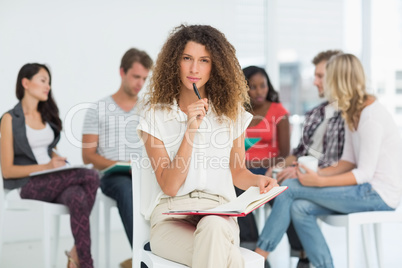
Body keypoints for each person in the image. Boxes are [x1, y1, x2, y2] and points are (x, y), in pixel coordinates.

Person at [136, 24, 278, 268]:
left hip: (219, 216)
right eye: (187, 58)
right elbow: (170, 186)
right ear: (174, 62)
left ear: (216, 67)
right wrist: (190, 128)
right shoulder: (154, 116)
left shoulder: (231, 114)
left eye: (204, 60)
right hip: (171, 220)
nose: (194, 69)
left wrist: (258, 181)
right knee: (228, 258)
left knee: (212, 227)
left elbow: (238, 172)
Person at [255, 53, 402, 268]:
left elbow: (365, 174)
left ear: (339, 82)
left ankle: (258, 258)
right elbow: (347, 161)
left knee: (288, 188)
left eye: (326, 79)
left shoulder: (371, 116)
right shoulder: (353, 112)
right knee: (300, 208)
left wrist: (319, 181)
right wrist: (316, 175)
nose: (320, 84)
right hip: (364, 188)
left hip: (378, 193)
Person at [0, 63, 99, 268]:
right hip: (24, 185)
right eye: (43, 80)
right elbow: (7, 170)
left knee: (77, 196)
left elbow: (47, 151)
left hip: (50, 181)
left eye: (49, 82)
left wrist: (58, 162)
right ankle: (87, 263)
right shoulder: (10, 119)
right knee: (90, 176)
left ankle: (75, 255)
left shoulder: (46, 118)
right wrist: (46, 166)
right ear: (26, 83)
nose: (48, 86)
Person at [267, 49, 344, 268]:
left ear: (337, 75)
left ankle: (266, 254)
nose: (315, 81)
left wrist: (297, 171)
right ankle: (301, 256)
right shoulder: (316, 112)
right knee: (273, 184)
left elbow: (338, 162)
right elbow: (299, 151)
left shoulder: (348, 114)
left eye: (320, 76)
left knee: (289, 192)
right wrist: (277, 167)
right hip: (303, 172)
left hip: (324, 179)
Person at [82, 48, 153, 268]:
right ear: (122, 72)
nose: (140, 83)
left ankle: (156, 256)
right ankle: (145, 259)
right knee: (127, 190)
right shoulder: (98, 109)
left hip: (143, 173)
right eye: (135, 76)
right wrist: (122, 165)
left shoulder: (148, 109)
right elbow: (88, 156)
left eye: (144, 78)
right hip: (113, 177)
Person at [237, 66, 289, 250]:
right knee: (234, 187)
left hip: (269, 169)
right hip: (241, 170)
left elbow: (285, 153)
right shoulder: (237, 112)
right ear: (243, 88)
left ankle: (302, 254)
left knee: (287, 198)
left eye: (263, 85)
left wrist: (260, 165)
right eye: (253, 86)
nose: (259, 91)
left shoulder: (278, 111)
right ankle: (250, 247)